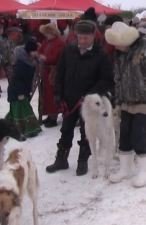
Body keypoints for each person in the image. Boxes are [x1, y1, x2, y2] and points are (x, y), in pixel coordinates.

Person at [46, 20, 114, 176]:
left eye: (85, 38)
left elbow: (107, 80)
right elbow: (60, 72)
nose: (82, 41)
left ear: (93, 36)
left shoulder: (101, 54)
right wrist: (57, 92)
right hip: (70, 98)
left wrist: (91, 94)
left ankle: (82, 160)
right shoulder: (69, 49)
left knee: (87, 131)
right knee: (66, 129)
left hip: (90, 102)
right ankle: (61, 159)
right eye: (79, 37)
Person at [104, 22, 146, 187]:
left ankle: (144, 171)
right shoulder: (121, 53)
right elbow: (118, 79)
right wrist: (117, 103)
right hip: (126, 102)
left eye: (119, 43)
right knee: (124, 136)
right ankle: (125, 170)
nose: (116, 47)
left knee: (139, 137)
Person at [6, 40, 42, 138]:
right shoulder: (21, 64)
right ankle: (24, 129)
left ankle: (11, 127)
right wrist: (20, 93)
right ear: (29, 51)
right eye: (35, 51)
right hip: (17, 92)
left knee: (21, 110)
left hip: (23, 90)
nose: (36, 53)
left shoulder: (30, 61)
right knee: (22, 110)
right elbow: (18, 80)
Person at [38, 23, 66, 128]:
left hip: (54, 72)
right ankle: (50, 116)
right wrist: (41, 56)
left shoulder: (60, 43)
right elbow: (40, 50)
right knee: (46, 95)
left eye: (47, 33)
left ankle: (54, 117)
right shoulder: (46, 41)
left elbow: (55, 57)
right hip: (46, 71)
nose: (46, 35)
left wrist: (45, 58)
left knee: (53, 95)